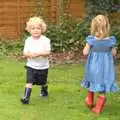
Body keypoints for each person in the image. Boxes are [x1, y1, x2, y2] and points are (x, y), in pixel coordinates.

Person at [81, 15, 119, 114]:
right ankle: (98, 108)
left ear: (93, 27)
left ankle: (89, 101)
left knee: (92, 81)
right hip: (106, 67)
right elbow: (114, 54)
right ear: (107, 27)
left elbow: (85, 52)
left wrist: (87, 48)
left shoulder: (91, 39)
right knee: (102, 84)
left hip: (93, 66)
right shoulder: (111, 40)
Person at [20, 16, 51, 104]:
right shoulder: (28, 41)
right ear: (29, 30)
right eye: (33, 28)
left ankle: (44, 89)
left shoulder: (46, 40)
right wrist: (30, 55)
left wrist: (39, 54)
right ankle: (26, 98)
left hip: (43, 66)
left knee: (42, 82)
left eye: (38, 28)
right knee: (29, 81)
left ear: (42, 29)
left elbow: (48, 52)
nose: (36, 30)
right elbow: (25, 53)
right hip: (31, 66)